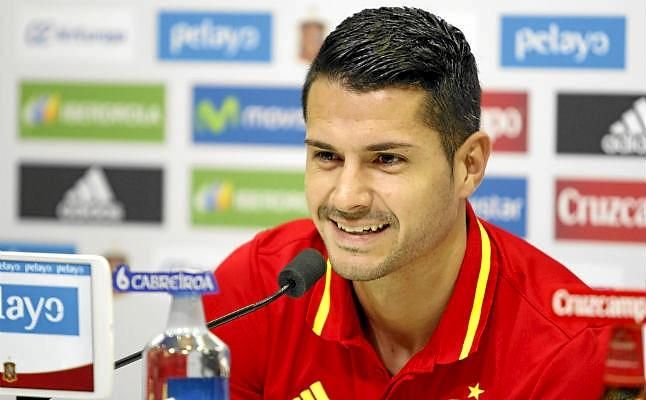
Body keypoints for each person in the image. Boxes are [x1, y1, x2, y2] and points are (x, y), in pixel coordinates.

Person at [203, 6, 610, 399]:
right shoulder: (255, 288)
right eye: (327, 156)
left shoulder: (567, 351)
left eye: (386, 159)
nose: (347, 198)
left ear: (469, 165)